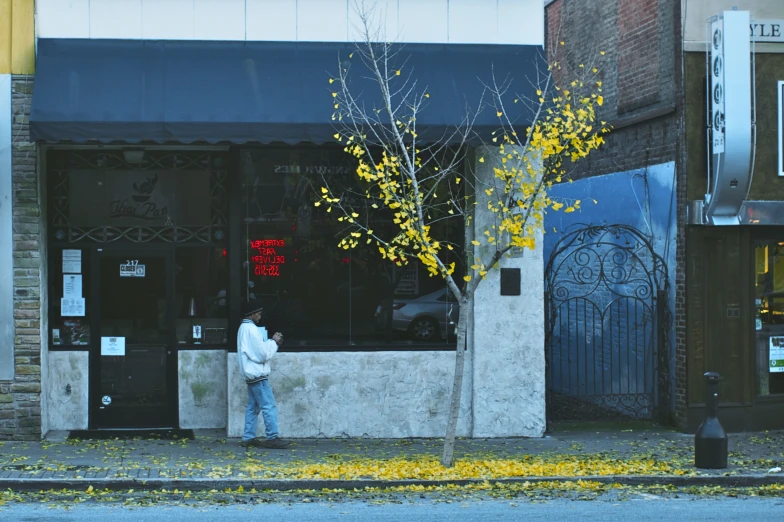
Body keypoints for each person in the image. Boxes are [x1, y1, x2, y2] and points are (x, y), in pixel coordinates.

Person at [238, 300, 291, 449]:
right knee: (269, 406)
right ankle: (272, 437)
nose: (260, 316)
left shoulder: (243, 328)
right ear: (253, 314)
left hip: (251, 375)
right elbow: (262, 354)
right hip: (258, 375)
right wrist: (273, 342)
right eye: (258, 313)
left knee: (253, 407)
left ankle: (248, 437)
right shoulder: (251, 330)